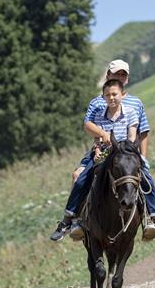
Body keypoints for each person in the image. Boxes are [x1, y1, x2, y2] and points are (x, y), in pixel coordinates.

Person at [49, 79, 149, 242]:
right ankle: (69, 220)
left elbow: (132, 137)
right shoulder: (98, 114)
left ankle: (152, 220)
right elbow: (97, 139)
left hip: (124, 154)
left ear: (122, 95)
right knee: (81, 179)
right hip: (104, 153)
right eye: (108, 95)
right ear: (103, 97)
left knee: (146, 179)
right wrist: (97, 150)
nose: (111, 98)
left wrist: (127, 151)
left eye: (114, 94)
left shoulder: (130, 112)